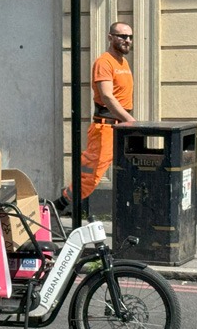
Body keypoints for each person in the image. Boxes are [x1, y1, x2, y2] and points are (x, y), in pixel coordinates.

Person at [53, 22, 135, 214]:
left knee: (127, 172)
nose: (127, 40)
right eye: (122, 36)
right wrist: (130, 121)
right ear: (110, 37)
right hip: (107, 128)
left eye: (130, 37)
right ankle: (59, 205)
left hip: (121, 126)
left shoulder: (123, 62)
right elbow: (107, 96)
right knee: (90, 175)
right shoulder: (104, 62)